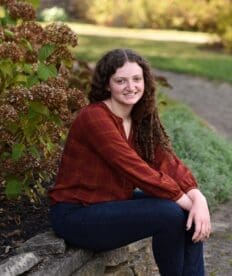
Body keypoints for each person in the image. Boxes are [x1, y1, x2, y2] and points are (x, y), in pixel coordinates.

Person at [48, 48, 211, 275]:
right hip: (76, 214)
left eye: (136, 79)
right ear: (107, 84)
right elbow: (134, 169)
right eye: (121, 81)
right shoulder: (94, 117)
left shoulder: (139, 116)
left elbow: (166, 160)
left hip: (110, 202)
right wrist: (183, 200)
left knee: (185, 215)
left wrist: (197, 197)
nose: (131, 87)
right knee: (171, 212)